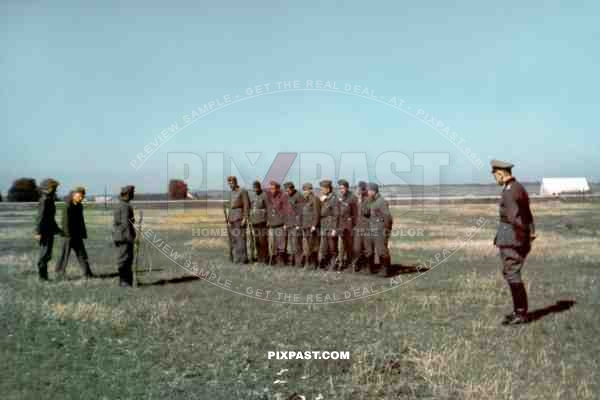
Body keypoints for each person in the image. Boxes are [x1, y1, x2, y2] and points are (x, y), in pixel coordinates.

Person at [491, 159, 536, 325]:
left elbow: (515, 218)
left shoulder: (509, 191)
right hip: (515, 237)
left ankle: (520, 313)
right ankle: (519, 311)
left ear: (500, 173)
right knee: (511, 272)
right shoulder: (518, 187)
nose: (495, 178)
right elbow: (527, 214)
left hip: (512, 238)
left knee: (512, 273)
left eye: (495, 175)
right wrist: (531, 233)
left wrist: (522, 238)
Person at [56, 187, 94, 279]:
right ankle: (60, 273)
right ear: (74, 194)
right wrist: (68, 235)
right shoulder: (67, 206)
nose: (81, 198)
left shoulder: (79, 206)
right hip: (68, 235)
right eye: (80, 196)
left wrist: (83, 233)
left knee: (82, 254)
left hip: (77, 235)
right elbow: (65, 222)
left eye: (83, 197)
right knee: (64, 255)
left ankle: (87, 274)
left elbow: (81, 221)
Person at [33, 178, 62, 281]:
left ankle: (44, 277)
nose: (56, 190)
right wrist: (38, 232)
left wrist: (58, 229)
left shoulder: (49, 200)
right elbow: (40, 217)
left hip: (49, 231)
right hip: (44, 232)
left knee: (48, 254)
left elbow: (50, 218)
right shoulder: (45, 200)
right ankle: (42, 278)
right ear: (48, 188)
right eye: (54, 188)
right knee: (44, 254)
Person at [365, 183, 392, 274]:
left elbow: (387, 217)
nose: (367, 192)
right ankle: (371, 268)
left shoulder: (382, 201)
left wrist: (386, 230)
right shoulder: (371, 201)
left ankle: (385, 270)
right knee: (369, 250)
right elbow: (366, 213)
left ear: (373, 191)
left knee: (382, 250)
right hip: (372, 229)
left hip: (380, 230)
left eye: (369, 191)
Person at [113, 185, 137, 287]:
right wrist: (131, 238)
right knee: (125, 259)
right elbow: (126, 224)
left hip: (120, 236)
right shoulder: (125, 206)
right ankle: (124, 282)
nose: (133, 194)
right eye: (132, 193)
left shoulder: (121, 205)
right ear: (127, 194)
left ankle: (125, 281)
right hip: (124, 237)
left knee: (124, 259)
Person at [227, 176, 250, 264]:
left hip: (239, 217)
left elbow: (246, 205)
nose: (230, 185)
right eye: (229, 183)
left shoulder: (242, 191)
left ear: (236, 182)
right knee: (235, 239)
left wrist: (245, 218)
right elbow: (230, 207)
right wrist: (229, 219)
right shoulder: (231, 193)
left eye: (231, 183)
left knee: (241, 239)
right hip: (232, 218)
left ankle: (243, 259)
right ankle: (237, 257)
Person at [318, 180, 339, 271]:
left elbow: (336, 214)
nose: (321, 190)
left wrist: (334, 228)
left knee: (332, 246)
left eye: (322, 189)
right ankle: (326, 264)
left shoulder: (334, 199)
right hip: (324, 224)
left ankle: (334, 264)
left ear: (328, 189)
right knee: (324, 246)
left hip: (331, 225)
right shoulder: (323, 198)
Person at [337, 179, 358, 270]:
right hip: (341, 226)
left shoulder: (353, 198)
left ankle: (352, 264)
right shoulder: (340, 197)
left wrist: (354, 225)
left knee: (350, 246)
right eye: (340, 188)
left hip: (350, 227)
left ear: (347, 188)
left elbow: (356, 214)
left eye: (342, 188)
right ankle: (341, 263)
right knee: (341, 246)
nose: (341, 190)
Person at [266, 180, 287, 266]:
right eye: (270, 188)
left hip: (280, 224)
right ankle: (273, 260)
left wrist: (286, 223)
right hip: (271, 224)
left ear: (278, 189)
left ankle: (281, 260)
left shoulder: (283, 197)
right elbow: (268, 210)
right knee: (272, 243)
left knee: (280, 243)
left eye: (273, 189)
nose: (272, 190)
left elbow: (287, 211)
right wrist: (268, 220)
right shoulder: (269, 198)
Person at [300, 182, 321, 268]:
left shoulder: (315, 199)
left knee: (313, 245)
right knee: (306, 246)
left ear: (310, 190)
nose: (304, 192)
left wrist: (314, 225)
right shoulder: (305, 199)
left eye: (306, 190)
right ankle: (307, 263)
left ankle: (313, 264)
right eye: (303, 190)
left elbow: (317, 213)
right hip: (305, 226)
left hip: (311, 227)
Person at [283, 182, 303, 266]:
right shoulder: (287, 197)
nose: (287, 192)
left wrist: (298, 224)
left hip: (296, 225)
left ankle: (299, 263)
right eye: (286, 191)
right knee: (291, 245)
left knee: (297, 244)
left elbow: (301, 212)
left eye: (288, 190)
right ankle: (292, 262)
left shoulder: (299, 196)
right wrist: (285, 223)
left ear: (292, 188)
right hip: (289, 224)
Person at [249, 180, 269, 264]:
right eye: (254, 188)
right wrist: (250, 219)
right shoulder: (252, 196)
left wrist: (268, 220)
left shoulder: (264, 195)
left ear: (259, 187)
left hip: (262, 221)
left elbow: (268, 208)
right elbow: (251, 208)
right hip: (254, 222)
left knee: (263, 241)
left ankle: (265, 259)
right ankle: (259, 258)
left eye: (256, 188)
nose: (255, 190)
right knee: (257, 240)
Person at [351, 181, 369, 272]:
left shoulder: (367, 200)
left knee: (366, 248)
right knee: (356, 248)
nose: (356, 190)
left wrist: (361, 202)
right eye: (356, 189)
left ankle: (367, 266)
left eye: (358, 189)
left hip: (366, 227)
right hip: (357, 227)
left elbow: (367, 212)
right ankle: (357, 265)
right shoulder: (355, 200)